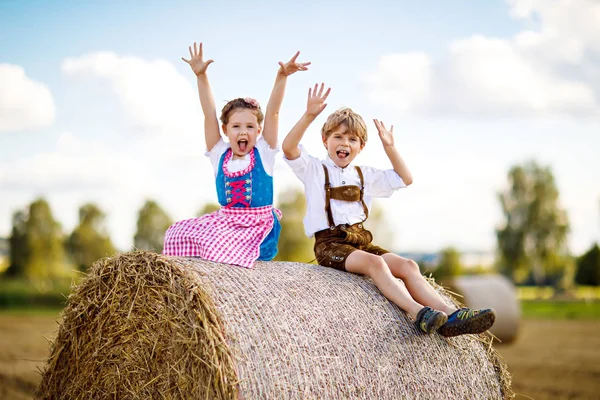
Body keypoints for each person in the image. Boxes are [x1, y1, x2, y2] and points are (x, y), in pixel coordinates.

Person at [281, 83, 496, 336]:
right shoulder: (314, 170)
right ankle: (419, 313)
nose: (344, 143)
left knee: (408, 266)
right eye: (338, 136)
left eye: (352, 139)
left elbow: (406, 178)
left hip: (360, 241)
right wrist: (309, 115)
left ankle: (450, 315)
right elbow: (289, 148)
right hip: (331, 246)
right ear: (325, 140)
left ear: (360, 147)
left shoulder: (365, 175)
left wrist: (389, 147)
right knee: (376, 264)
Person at [163, 42, 309, 269]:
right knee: (174, 233)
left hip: (259, 230)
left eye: (250, 127)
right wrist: (201, 77)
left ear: (258, 131)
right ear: (225, 130)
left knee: (215, 245)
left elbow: (273, 112)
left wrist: (282, 76)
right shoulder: (219, 153)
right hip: (226, 223)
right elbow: (208, 113)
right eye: (236, 126)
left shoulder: (264, 151)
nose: (243, 132)